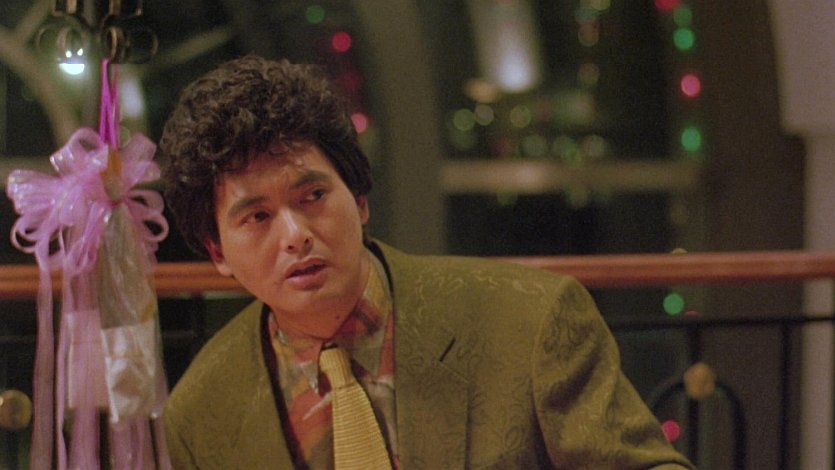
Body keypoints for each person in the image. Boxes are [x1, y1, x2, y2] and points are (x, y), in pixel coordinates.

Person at [159, 55, 695, 469]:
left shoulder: (530, 321)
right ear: (217, 252)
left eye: (313, 196)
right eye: (257, 217)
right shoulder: (202, 411)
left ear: (360, 201)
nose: (295, 236)